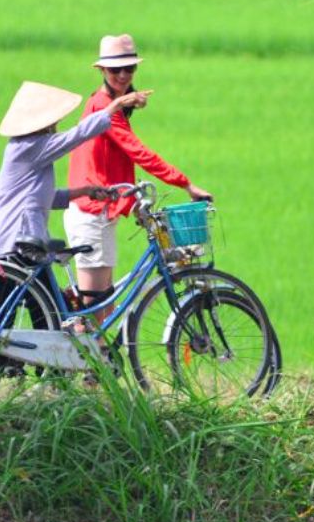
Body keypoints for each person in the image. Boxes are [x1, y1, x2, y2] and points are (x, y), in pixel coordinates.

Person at [65, 34, 212, 316]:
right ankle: (82, 354)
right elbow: (138, 152)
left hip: (102, 210)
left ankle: (101, 357)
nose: (122, 75)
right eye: (114, 70)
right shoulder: (103, 109)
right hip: (92, 211)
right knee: (94, 306)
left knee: (103, 303)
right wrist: (185, 183)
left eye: (129, 69)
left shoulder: (112, 106)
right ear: (101, 71)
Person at [0, 80, 150, 260]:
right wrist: (115, 105)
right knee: (38, 288)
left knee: (45, 288)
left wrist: (85, 191)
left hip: (17, 241)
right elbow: (76, 135)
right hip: (11, 242)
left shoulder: (25, 147)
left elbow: (40, 196)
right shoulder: (29, 147)